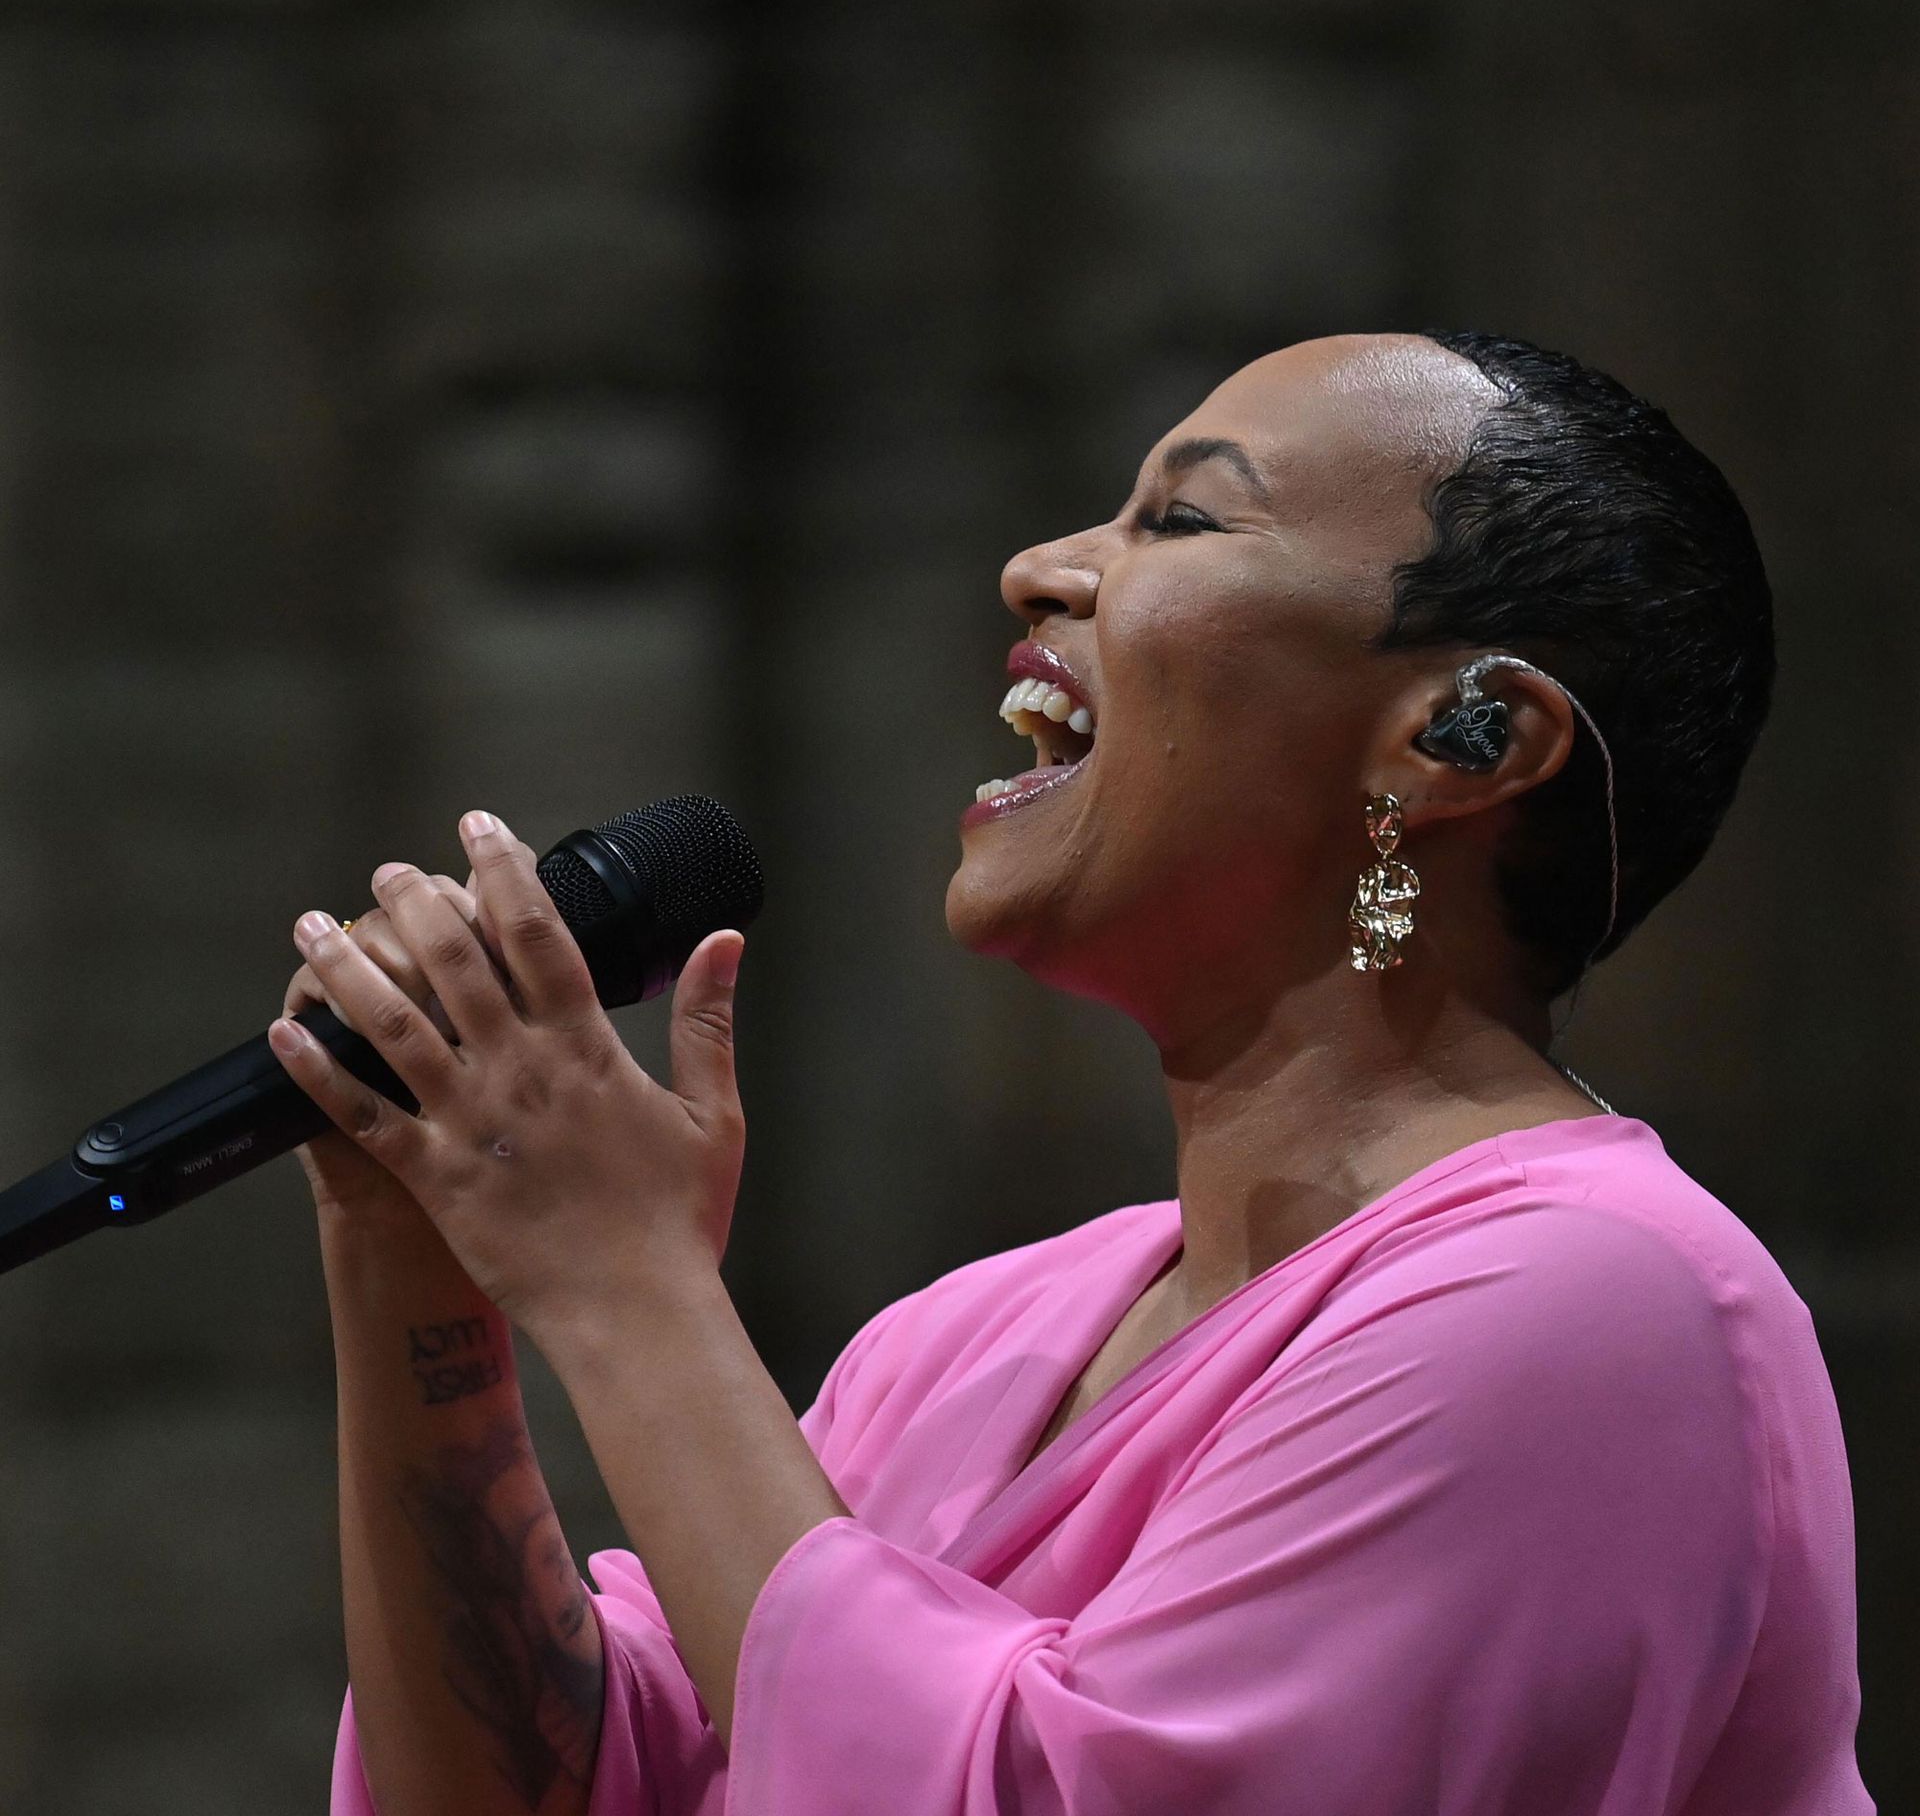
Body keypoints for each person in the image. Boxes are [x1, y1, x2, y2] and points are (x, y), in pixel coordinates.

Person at [277, 331, 1870, 1815]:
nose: (1040, 569)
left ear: (1461, 737)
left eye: (1179, 523)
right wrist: (421, 1262)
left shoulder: (1590, 1304)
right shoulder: (969, 1338)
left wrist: (627, 1284)